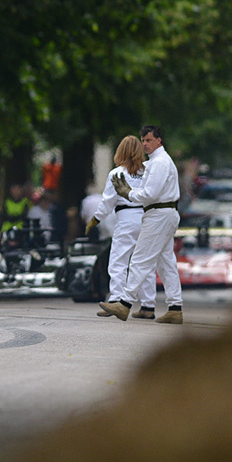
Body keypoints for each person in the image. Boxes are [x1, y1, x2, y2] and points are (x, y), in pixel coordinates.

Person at [110, 125, 183, 323]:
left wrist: (128, 193)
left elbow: (150, 194)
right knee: (166, 262)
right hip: (164, 212)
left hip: (159, 213)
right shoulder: (158, 161)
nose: (145, 144)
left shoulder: (159, 162)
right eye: (143, 141)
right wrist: (131, 193)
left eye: (149, 140)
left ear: (159, 140)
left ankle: (124, 303)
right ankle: (175, 307)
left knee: (140, 259)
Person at [89, 136, 147, 317]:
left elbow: (107, 202)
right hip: (146, 217)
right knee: (144, 262)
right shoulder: (148, 172)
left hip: (126, 218)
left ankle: (116, 299)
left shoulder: (117, 174)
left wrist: (95, 219)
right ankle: (148, 304)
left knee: (119, 260)